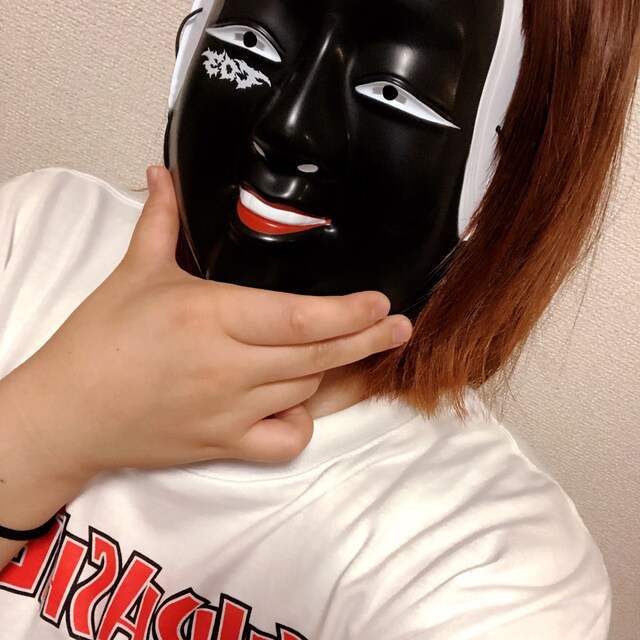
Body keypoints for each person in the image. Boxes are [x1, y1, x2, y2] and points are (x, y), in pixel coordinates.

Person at [0, 0, 637, 638]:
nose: (289, 129)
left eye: (392, 92)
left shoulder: (496, 571)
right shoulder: (33, 236)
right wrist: (50, 425)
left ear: (505, 179)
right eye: (251, 42)